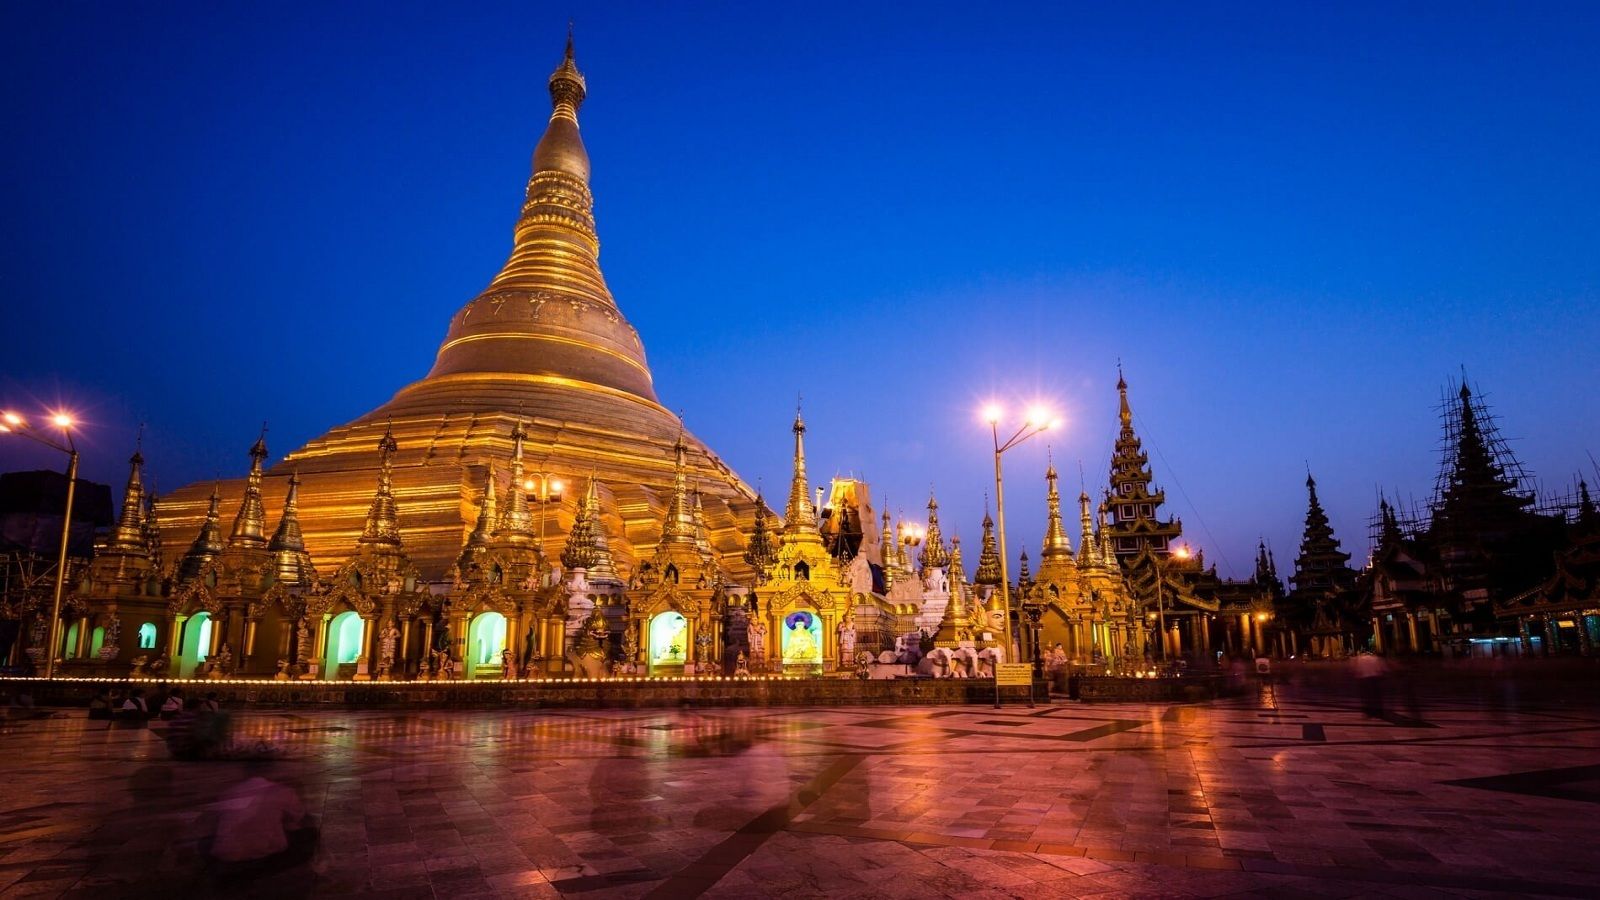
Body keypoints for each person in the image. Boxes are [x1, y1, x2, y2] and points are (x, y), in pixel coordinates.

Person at [206, 760, 319, 882]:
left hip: (226, 859)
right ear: (269, 771)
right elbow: (300, 817)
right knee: (310, 831)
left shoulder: (229, 792)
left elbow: (214, 823)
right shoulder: (280, 790)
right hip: (264, 858)